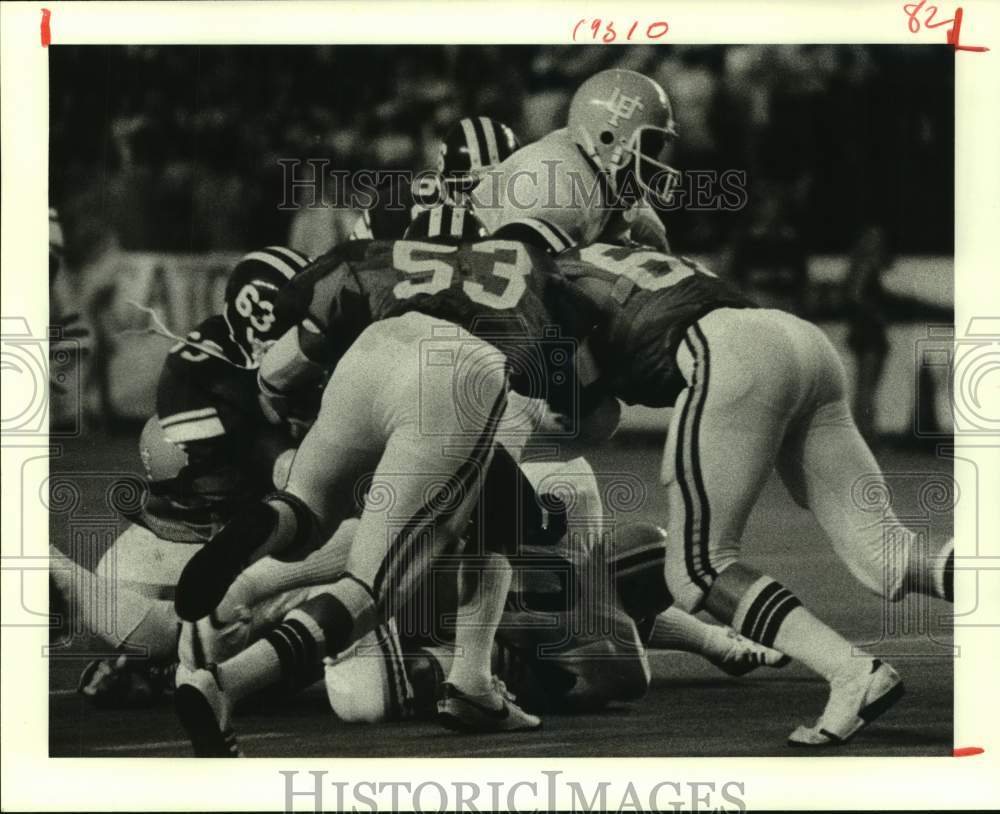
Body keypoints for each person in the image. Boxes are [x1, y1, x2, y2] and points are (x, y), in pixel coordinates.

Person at [553, 241, 954, 746]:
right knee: (885, 551)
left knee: (699, 568)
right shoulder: (609, 247)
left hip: (729, 356)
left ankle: (853, 674)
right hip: (798, 340)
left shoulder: (547, 277)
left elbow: (595, 417)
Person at [470, 68, 674, 255]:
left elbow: (657, 248)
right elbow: (519, 276)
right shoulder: (553, 180)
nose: (655, 161)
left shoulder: (607, 181)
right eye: (649, 147)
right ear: (607, 136)